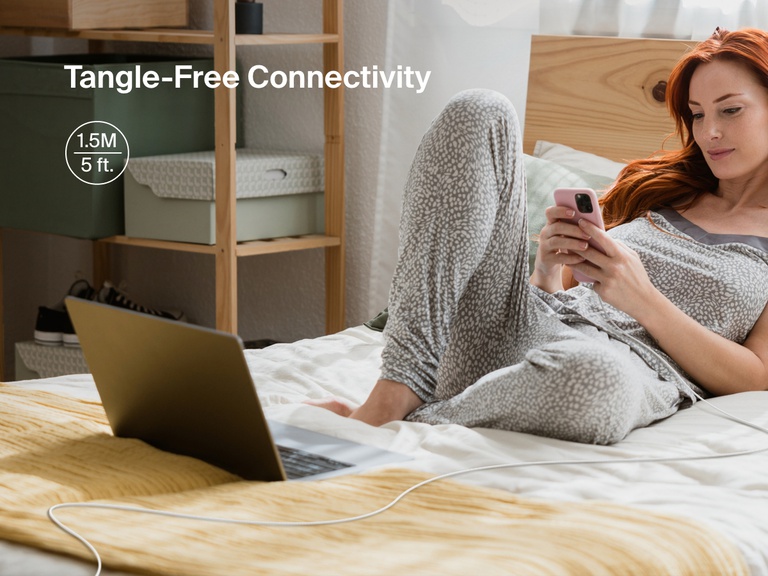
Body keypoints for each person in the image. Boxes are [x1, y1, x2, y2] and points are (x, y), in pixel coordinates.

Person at [311, 27, 768, 444]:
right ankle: (398, 386)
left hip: (617, 373)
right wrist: (548, 268)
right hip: (514, 330)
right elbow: (561, 298)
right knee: (481, 108)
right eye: (696, 114)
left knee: (595, 375)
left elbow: (759, 376)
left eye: (730, 110)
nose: (709, 132)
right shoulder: (658, 192)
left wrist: (645, 300)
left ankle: (418, 419)